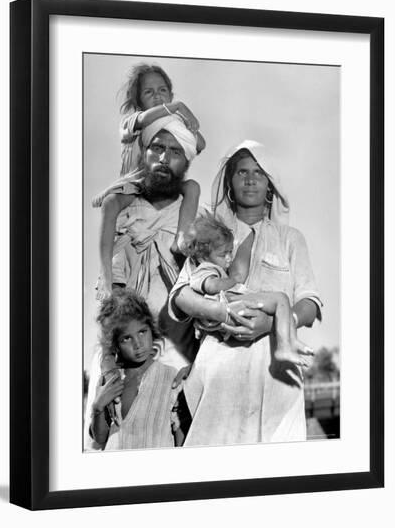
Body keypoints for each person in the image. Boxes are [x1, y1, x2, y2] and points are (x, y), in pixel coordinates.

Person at [169, 139, 322, 446]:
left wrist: (273, 324)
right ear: (229, 182)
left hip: (276, 375)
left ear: (270, 185)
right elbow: (182, 295)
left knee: (278, 477)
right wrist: (220, 312)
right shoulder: (209, 235)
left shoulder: (291, 239)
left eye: (259, 172)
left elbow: (310, 301)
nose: (251, 179)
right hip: (219, 374)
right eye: (242, 172)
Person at [84, 115, 199, 449]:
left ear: (186, 162)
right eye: (157, 148)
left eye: (175, 151)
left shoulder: (191, 209)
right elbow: (108, 287)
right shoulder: (122, 207)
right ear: (144, 154)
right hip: (118, 343)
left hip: (174, 342)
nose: (164, 157)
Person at [92, 63, 206, 254]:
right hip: (134, 184)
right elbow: (145, 120)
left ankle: (181, 238)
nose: (157, 96)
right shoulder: (132, 120)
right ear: (138, 102)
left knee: (192, 187)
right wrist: (178, 107)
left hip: (160, 183)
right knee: (113, 205)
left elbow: (199, 144)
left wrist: (185, 121)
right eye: (148, 92)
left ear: (170, 94)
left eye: (162, 90)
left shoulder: (173, 123)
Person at [181, 211, 313, 366]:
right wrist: (233, 280)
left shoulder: (213, 266)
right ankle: (285, 345)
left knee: (281, 304)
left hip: (232, 302)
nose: (229, 258)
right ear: (203, 255)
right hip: (229, 301)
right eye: (224, 254)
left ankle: (289, 341)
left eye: (230, 252)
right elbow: (211, 286)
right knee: (281, 299)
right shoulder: (204, 269)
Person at [89, 288, 185, 450]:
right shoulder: (111, 381)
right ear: (116, 344)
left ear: (151, 329)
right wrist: (98, 407)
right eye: (127, 338)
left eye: (142, 332)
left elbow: (179, 434)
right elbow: (100, 437)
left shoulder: (171, 377)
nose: (138, 344)